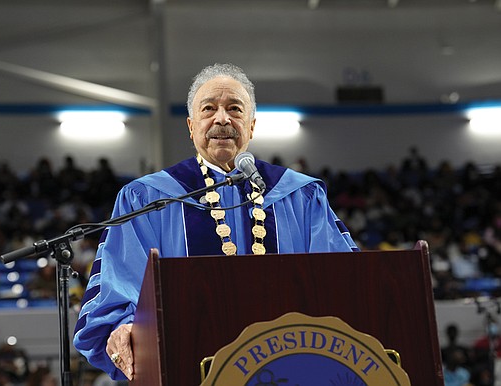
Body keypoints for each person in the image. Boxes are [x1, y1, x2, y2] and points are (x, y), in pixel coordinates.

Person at [73, 63, 359, 381]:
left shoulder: (301, 196)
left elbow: (342, 282)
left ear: (251, 126)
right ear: (191, 125)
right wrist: (122, 327)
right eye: (209, 108)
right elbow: (120, 282)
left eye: (234, 109)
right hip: (189, 368)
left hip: (293, 366)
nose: (222, 118)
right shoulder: (147, 198)